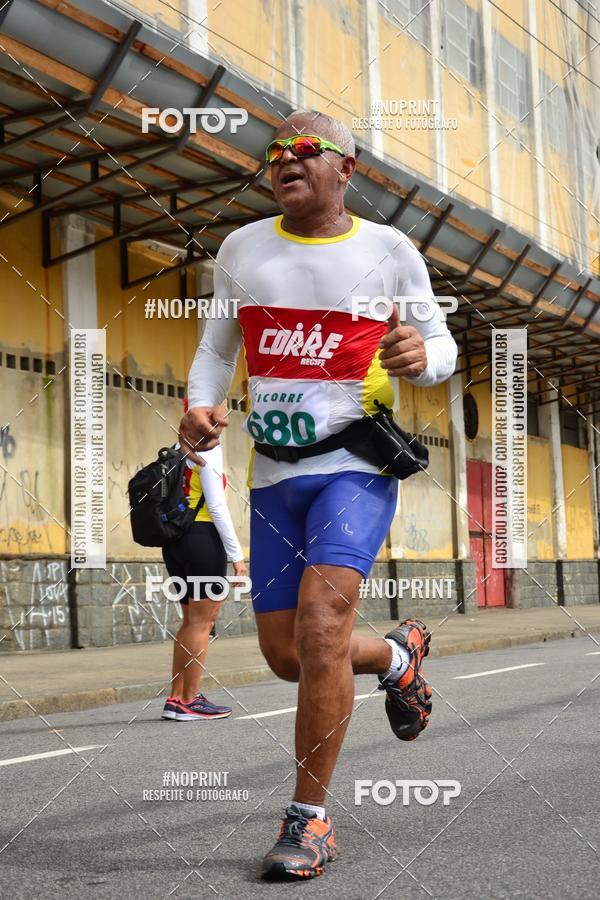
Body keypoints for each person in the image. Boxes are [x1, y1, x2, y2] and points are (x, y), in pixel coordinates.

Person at [180, 110, 457, 877]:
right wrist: (199, 408)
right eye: (273, 153)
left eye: (305, 150)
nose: (284, 160)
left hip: (353, 468)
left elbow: (441, 344)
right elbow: (214, 347)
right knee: (285, 656)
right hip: (274, 475)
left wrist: (418, 354)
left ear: (347, 168)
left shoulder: (387, 249)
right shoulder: (242, 248)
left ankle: (309, 822)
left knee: (322, 625)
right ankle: (399, 659)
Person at [162, 402, 246, 722]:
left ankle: (176, 697)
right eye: (221, 412)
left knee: (189, 623)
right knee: (202, 624)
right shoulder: (209, 448)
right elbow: (216, 504)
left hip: (175, 541)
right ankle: (190, 700)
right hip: (203, 539)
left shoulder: (175, 448)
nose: (226, 417)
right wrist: (237, 555)